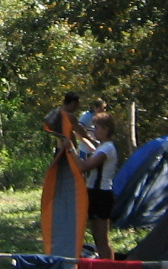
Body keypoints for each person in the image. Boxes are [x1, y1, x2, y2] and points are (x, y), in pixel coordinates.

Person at [41, 92, 89, 256]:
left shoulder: (55, 114)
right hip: (68, 154)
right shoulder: (68, 115)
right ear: (73, 103)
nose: (78, 108)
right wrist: (93, 142)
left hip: (59, 153)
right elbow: (81, 133)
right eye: (77, 104)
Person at [76, 112, 119, 259]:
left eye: (97, 128)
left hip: (102, 194)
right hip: (93, 192)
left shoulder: (107, 148)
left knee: (102, 241)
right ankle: (103, 268)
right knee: (96, 238)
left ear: (106, 129)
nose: (94, 131)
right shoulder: (101, 147)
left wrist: (70, 150)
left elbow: (85, 167)